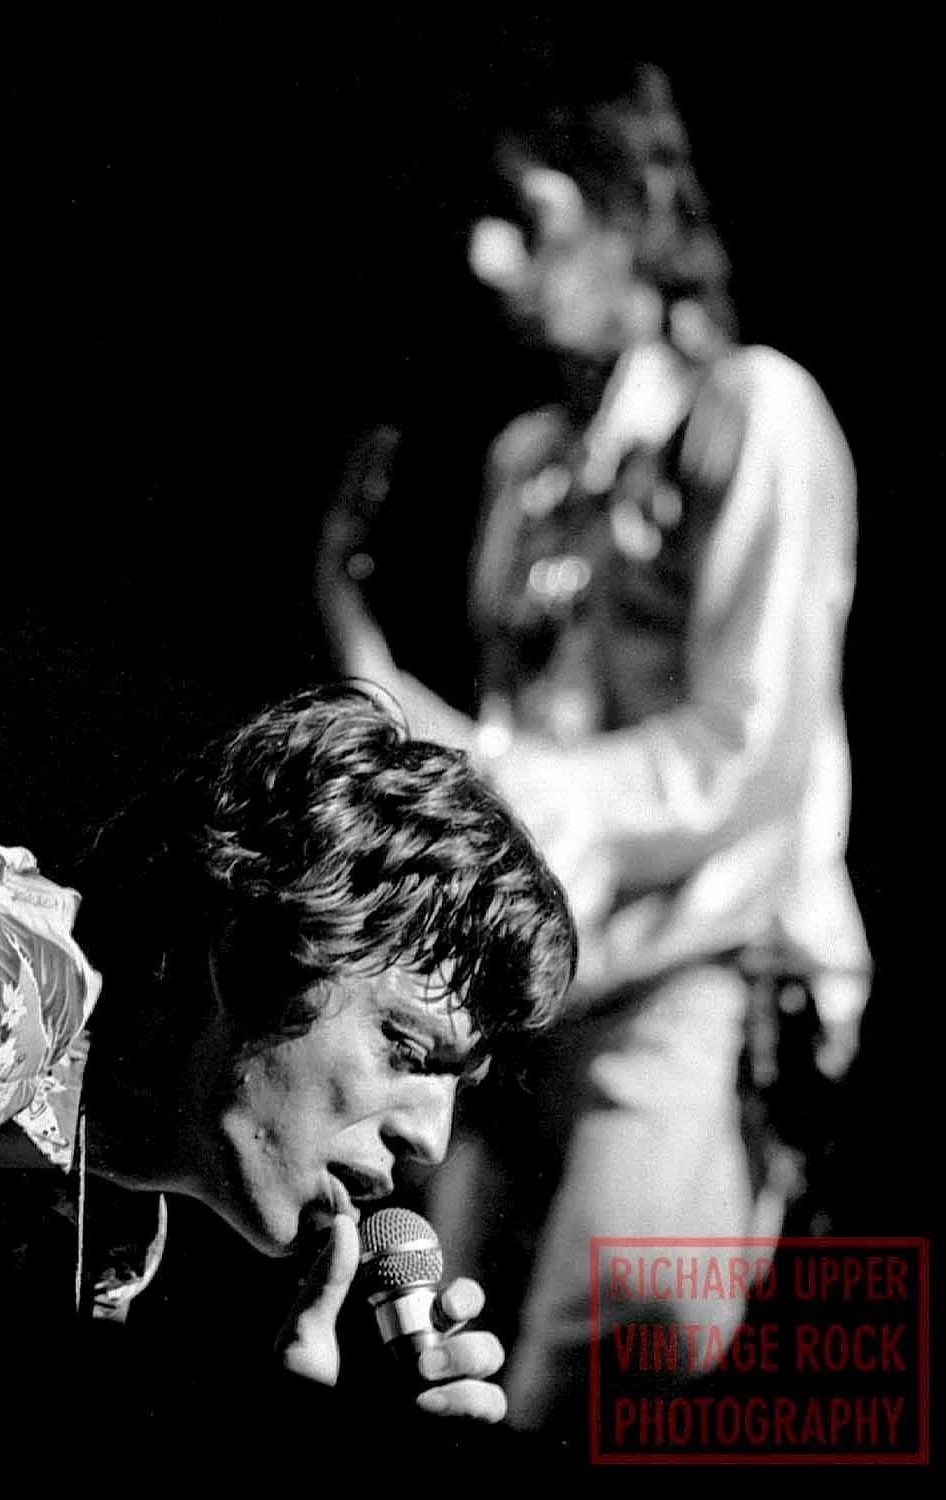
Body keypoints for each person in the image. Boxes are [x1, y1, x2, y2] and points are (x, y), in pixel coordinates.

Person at [314, 65, 871, 1440]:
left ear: (631, 220)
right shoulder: (529, 462)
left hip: (698, 975)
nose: (487, 256)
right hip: (526, 989)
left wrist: (504, 780)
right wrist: (358, 644)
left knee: (609, 1377)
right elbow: (516, 744)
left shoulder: (753, 410)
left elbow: (745, 754)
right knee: (428, 1364)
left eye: (533, 219)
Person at [0, 684, 575, 1455]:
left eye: (458, 1086)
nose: (430, 1138)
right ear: (252, 957)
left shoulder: (101, 1227)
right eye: (407, 1048)